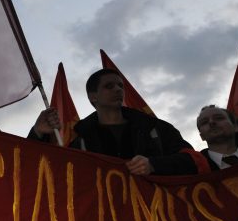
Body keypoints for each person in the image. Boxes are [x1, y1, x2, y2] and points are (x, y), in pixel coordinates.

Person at [62, 68, 197, 175]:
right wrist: (40, 134)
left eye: (120, 85)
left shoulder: (156, 128)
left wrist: (154, 165)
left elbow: (194, 161)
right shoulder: (78, 140)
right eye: (109, 86)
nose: (118, 89)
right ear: (93, 97)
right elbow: (59, 173)